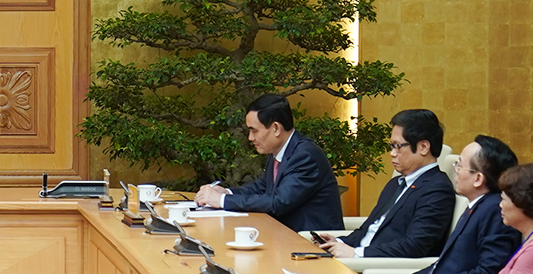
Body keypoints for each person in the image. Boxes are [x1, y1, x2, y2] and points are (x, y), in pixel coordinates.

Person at [192, 94, 344, 235]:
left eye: (254, 131)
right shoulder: (280, 150)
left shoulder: (305, 156)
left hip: (313, 243)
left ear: (276, 128)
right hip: (283, 236)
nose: (250, 138)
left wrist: (221, 201)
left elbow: (278, 202)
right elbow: (262, 187)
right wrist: (226, 192)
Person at [320, 108, 455, 260]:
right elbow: (368, 230)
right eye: (392, 146)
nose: (392, 153)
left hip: (378, 269)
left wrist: (356, 254)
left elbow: (414, 246)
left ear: (423, 147)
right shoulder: (396, 184)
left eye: (398, 146)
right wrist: (338, 242)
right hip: (358, 260)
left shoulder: (437, 189)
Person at [396, 135, 521, 274]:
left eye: (459, 165)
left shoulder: (496, 211)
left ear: (478, 178)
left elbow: (488, 273)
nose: (455, 170)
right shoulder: (477, 205)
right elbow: (446, 263)